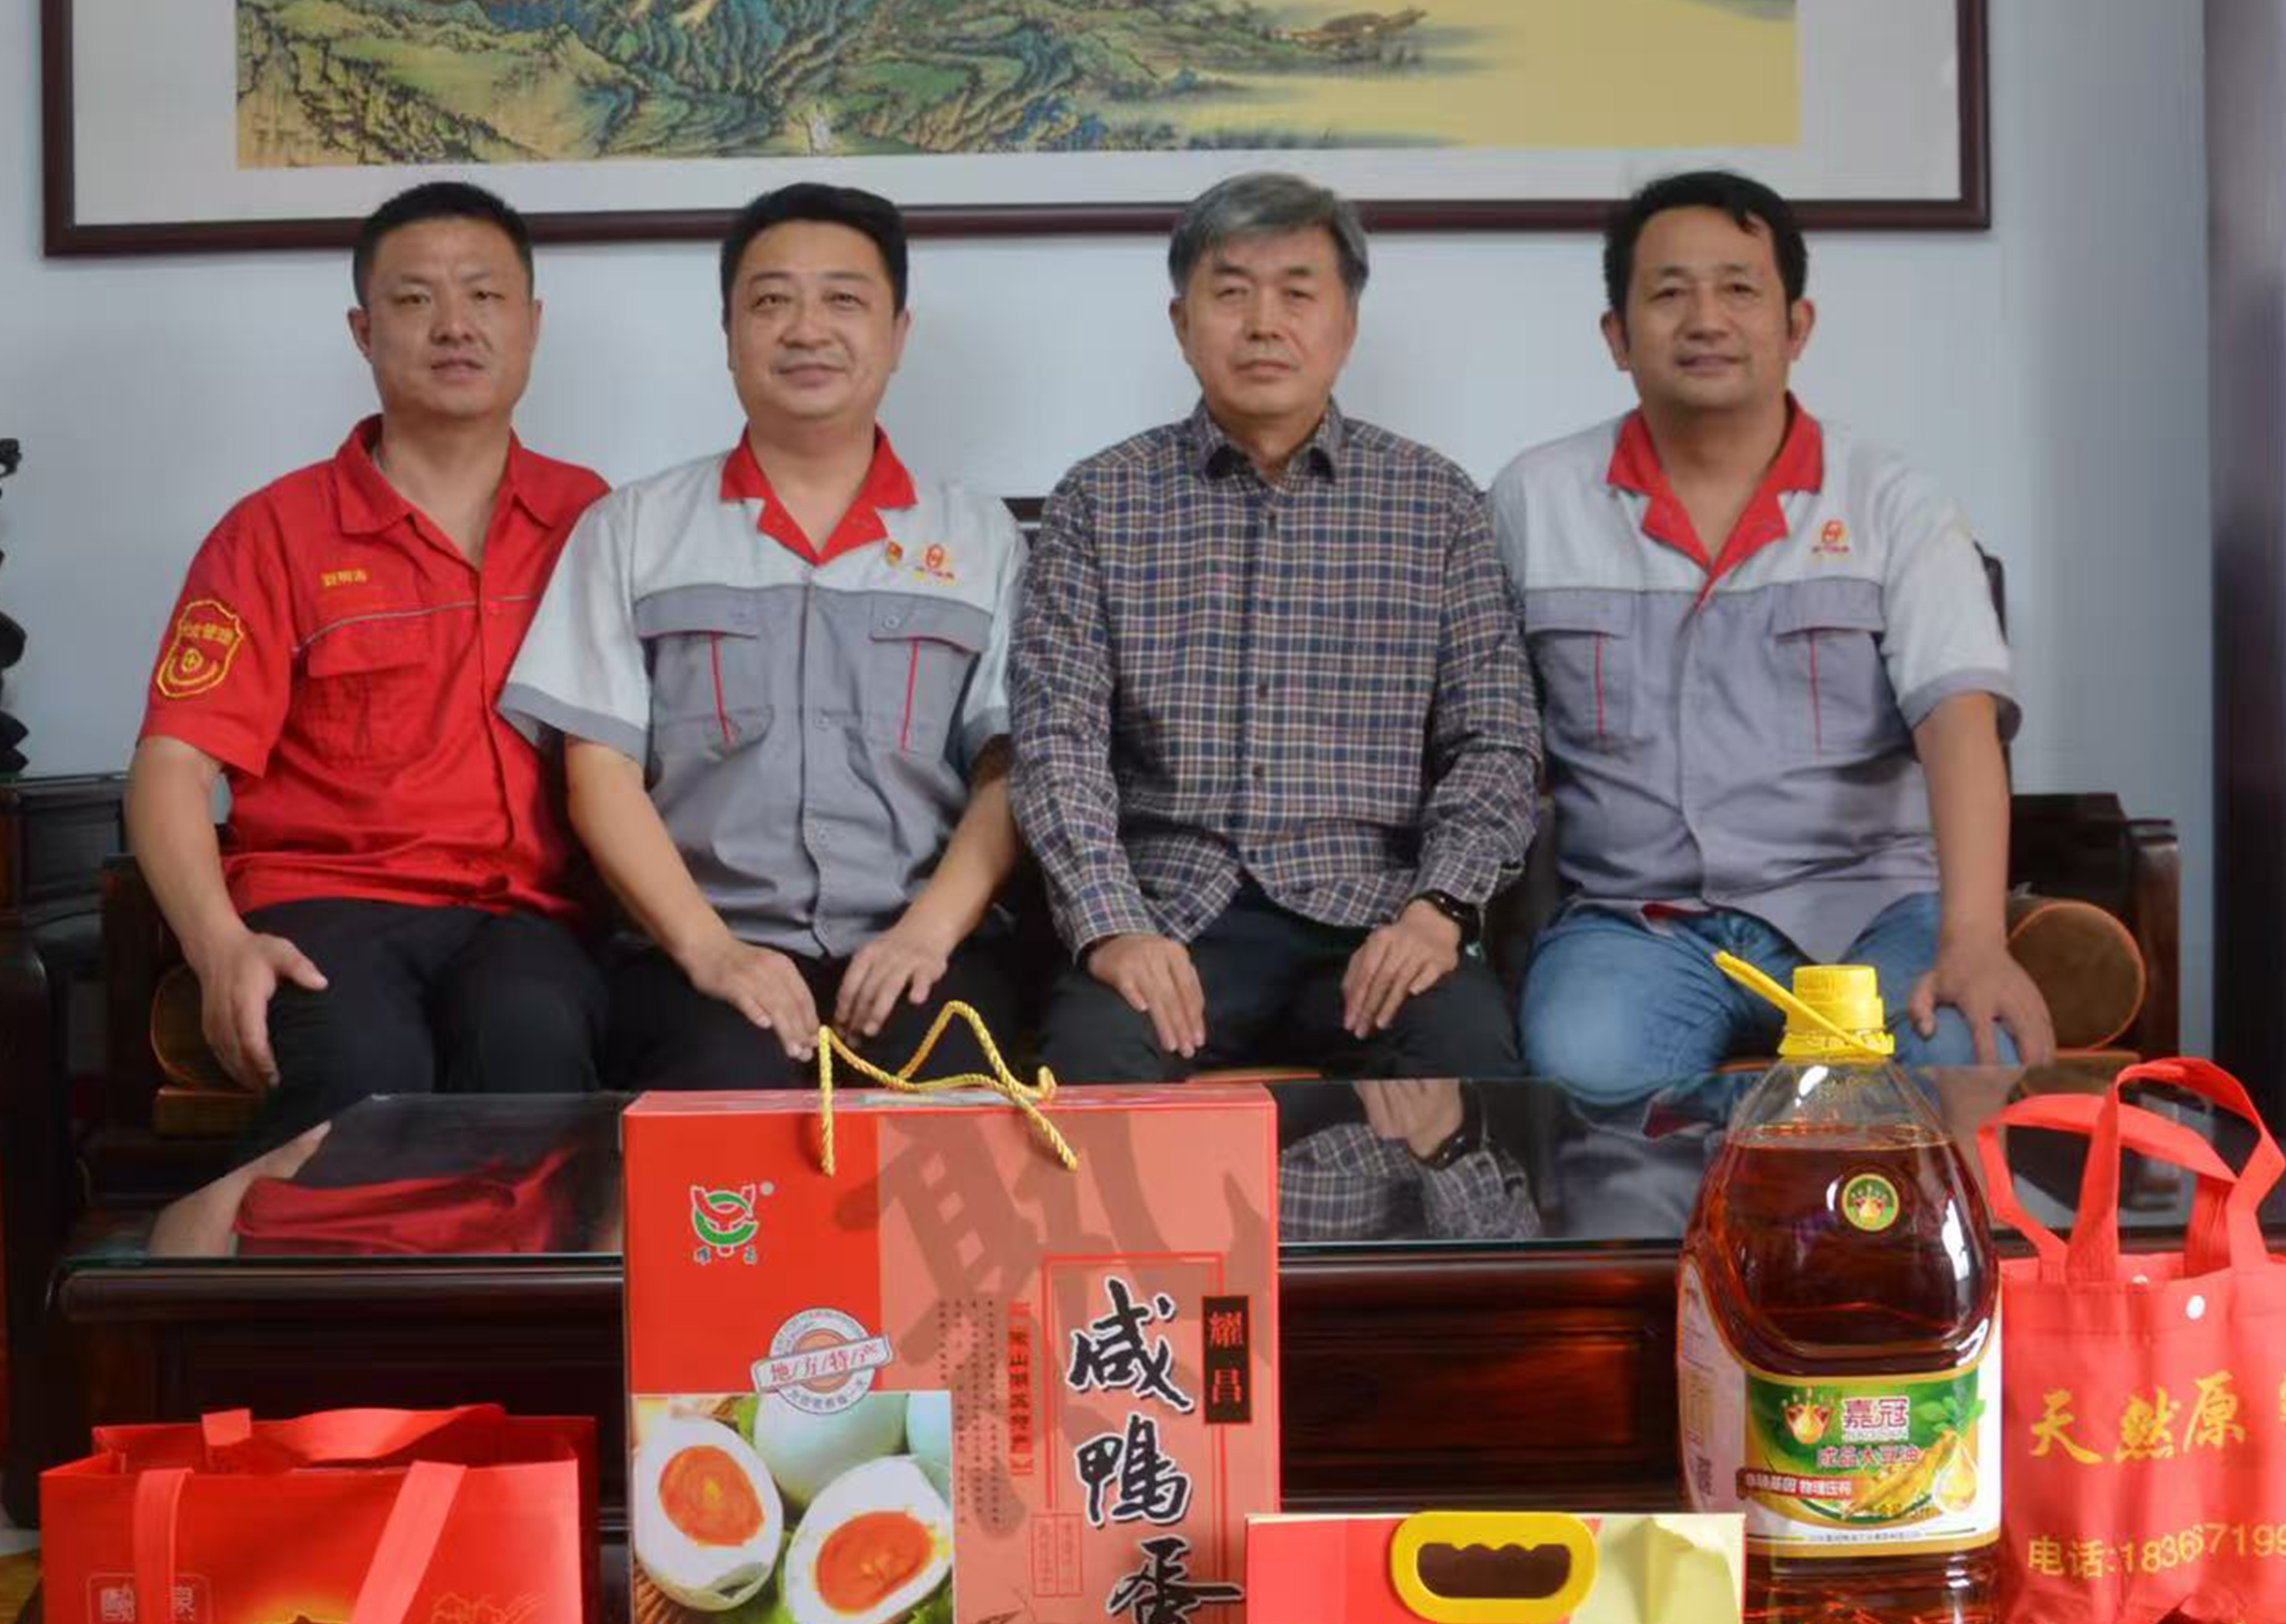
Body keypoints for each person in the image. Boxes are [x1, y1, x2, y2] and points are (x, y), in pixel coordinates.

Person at [1491, 169, 2052, 1107]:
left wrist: (1974, 942)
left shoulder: (1893, 503)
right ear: (1618, 337)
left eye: (1739, 289)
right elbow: (1482, 731)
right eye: (1670, 294)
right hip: (1640, 923)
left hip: (1867, 917)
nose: (1706, 320)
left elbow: (1959, 724)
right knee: (1582, 1064)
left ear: (1796, 327)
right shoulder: (1534, 501)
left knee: (1958, 1048)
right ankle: (1776, 1149)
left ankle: (1786, 1150)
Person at [1010, 172, 1540, 1085]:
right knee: (1092, 1067)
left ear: (1347, 326)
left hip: (1372, 918)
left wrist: (1440, 909)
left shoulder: (1435, 503)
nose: (1263, 324)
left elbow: (1495, 742)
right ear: (1182, 325)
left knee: (1466, 1057)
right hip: (1168, 915)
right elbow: (1058, 742)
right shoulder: (1100, 501)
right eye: (1231, 293)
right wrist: (1112, 925)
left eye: (1298, 293)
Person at [501, 184, 1025, 1087]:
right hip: (696, 957)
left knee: (945, 1111)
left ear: (898, 334)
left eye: (844, 300)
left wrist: (925, 935)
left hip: (923, 949)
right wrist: (710, 950)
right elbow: (601, 772)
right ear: (729, 333)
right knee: (722, 1116)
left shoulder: (982, 540)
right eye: (772, 301)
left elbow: (1009, 770)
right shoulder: (636, 530)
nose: (807, 329)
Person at [126, 181, 609, 1152]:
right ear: (363, 330)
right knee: (361, 1067)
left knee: (532, 1045)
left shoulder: (594, 521)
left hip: (526, 916)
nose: (454, 324)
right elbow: (171, 766)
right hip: (326, 907)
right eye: (415, 298)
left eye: (484, 295)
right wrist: (219, 947)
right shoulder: (274, 533)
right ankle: (302, 1261)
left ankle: (519, 1270)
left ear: (532, 325)